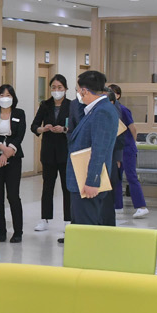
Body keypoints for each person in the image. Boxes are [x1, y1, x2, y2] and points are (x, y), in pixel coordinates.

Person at [66, 70, 121, 228]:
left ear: (84, 91)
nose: (78, 94)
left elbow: (99, 149)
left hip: (88, 183)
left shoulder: (102, 111)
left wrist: (92, 181)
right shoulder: (94, 110)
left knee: (86, 229)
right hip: (80, 180)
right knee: (80, 227)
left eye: (78, 90)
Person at [31, 74, 75, 233]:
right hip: (48, 152)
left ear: (65, 89)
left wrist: (64, 129)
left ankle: (68, 220)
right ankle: (44, 219)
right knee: (47, 187)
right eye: (54, 87)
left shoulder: (72, 105)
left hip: (65, 151)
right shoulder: (45, 105)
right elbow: (34, 125)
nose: (56, 90)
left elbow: (76, 127)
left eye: (60, 87)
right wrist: (42, 129)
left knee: (66, 188)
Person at [0, 83, 26, 243]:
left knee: (13, 195)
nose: (5, 98)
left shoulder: (19, 113)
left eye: (8, 95)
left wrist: (8, 152)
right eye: (2, 95)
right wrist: (1, 149)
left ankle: (18, 231)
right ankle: (1, 230)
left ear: (13, 98)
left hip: (14, 157)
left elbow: (20, 134)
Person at [108, 83, 149, 220]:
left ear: (118, 95)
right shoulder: (108, 110)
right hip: (116, 149)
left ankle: (141, 207)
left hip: (127, 148)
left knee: (131, 177)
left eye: (112, 93)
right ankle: (117, 206)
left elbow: (133, 129)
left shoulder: (123, 110)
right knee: (116, 178)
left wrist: (132, 143)